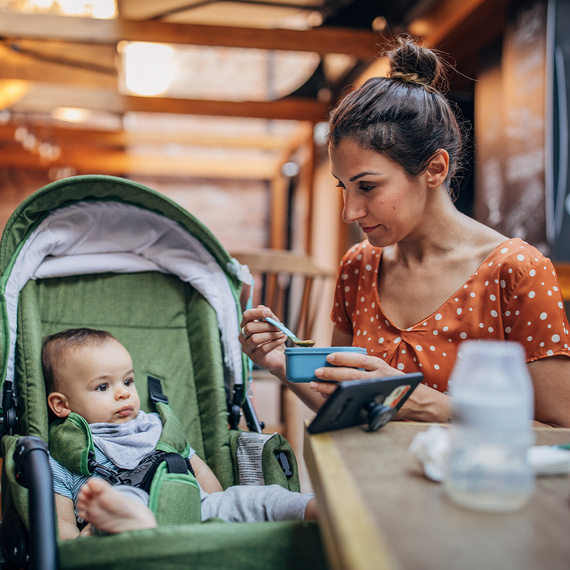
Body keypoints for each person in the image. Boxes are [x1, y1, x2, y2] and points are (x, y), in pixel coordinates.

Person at [239, 35, 570, 428]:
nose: (350, 212)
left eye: (367, 186)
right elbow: (344, 404)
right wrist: (279, 364)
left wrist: (423, 402)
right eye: (342, 187)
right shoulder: (359, 266)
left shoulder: (516, 272)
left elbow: (559, 429)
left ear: (435, 168)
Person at [42, 328, 317, 540]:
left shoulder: (157, 426)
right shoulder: (66, 453)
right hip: (127, 526)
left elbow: (202, 477)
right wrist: (77, 540)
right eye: (103, 387)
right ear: (61, 404)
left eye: (127, 381)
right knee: (117, 500)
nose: (123, 392)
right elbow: (63, 523)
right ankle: (133, 520)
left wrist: (221, 505)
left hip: (195, 509)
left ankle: (310, 509)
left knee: (251, 498)